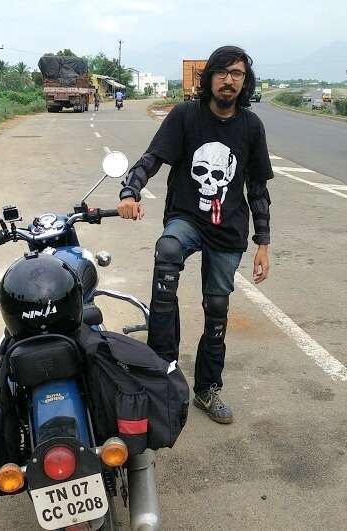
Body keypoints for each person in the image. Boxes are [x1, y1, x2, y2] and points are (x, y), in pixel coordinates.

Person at [116, 45, 273, 424]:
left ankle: (207, 389)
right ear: (209, 79)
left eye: (237, 74)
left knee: (216, 311)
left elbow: (257, 189)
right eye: (222, 72)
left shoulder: (251, 126)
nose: (229, 80)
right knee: (167, 251)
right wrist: (129, 191)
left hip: (230, 228)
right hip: (187, 216)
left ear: (244, 81)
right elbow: (152, 158)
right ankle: (162, 369)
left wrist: (263, 244)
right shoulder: (186, 115)